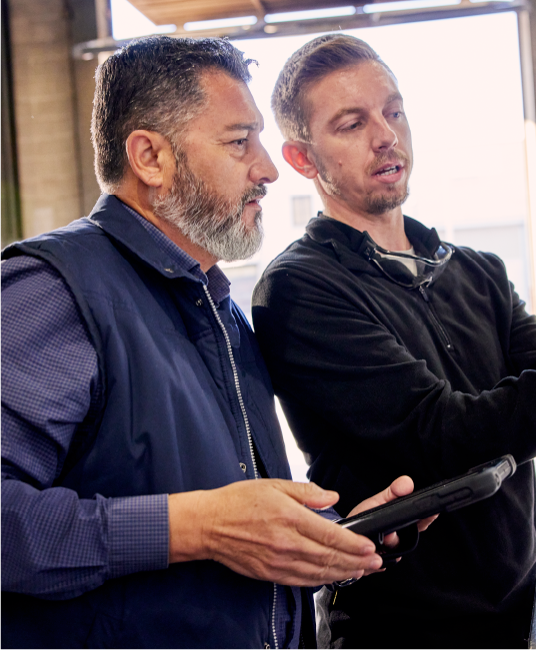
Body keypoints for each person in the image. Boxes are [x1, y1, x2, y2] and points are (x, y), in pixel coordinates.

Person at [0, 35, 421, 650]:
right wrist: (193, 529)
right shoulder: (53, 290)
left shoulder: (220, 314)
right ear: (150, 157)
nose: (268, 168)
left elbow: (229, 508)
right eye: (237, 142)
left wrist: (336, 529)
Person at [252, 33, 536, 650]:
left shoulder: (479, 269)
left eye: (394, 111)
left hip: (518, 613)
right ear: (302, 160)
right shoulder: (299, 290)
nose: (386, 135)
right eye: (352, 123)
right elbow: (442, 436)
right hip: (401, 629)